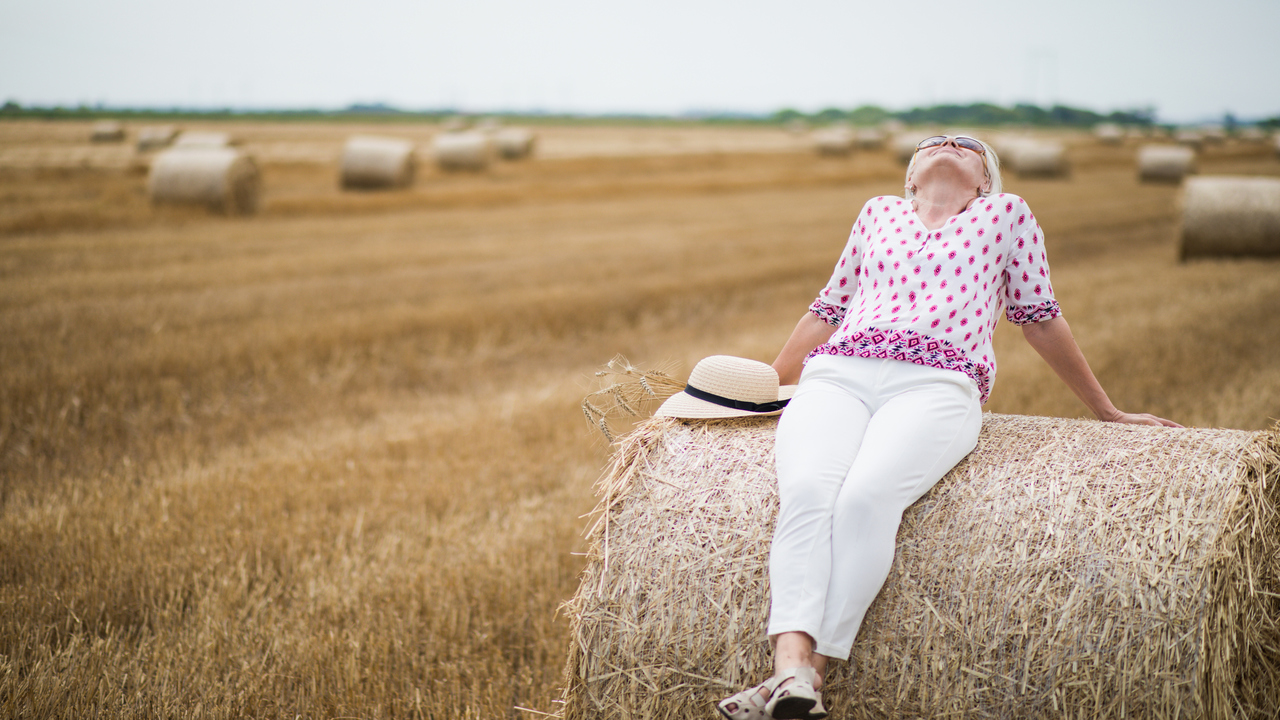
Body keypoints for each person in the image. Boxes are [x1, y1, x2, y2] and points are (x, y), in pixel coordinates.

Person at [717, 135, 1181, 720]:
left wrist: (1107, 411)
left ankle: (810, 674)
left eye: (966, 144)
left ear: (985, 181)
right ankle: (790, 668)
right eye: (935, 141)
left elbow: (1039, 319)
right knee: (808, 493)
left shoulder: (1006, 214)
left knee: (866, 498)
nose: (949, 143)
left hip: (937, 386)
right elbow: (827, 309)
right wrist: (765, 388)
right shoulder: (877, 212)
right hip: (836, 375)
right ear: (911, 176)